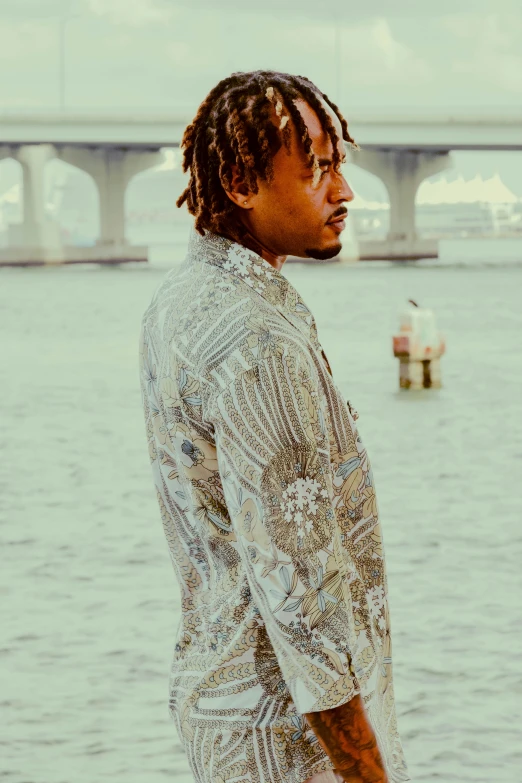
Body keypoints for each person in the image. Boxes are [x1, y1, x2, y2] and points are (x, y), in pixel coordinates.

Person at [138, 70, 410, 783]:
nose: (343, 191)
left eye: (338, 164)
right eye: (316, 168)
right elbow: (303, 604)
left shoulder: (179, 300)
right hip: (292, 743)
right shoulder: (260, 344)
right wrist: (368, 774)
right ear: (239, 180)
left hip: (221, 716)